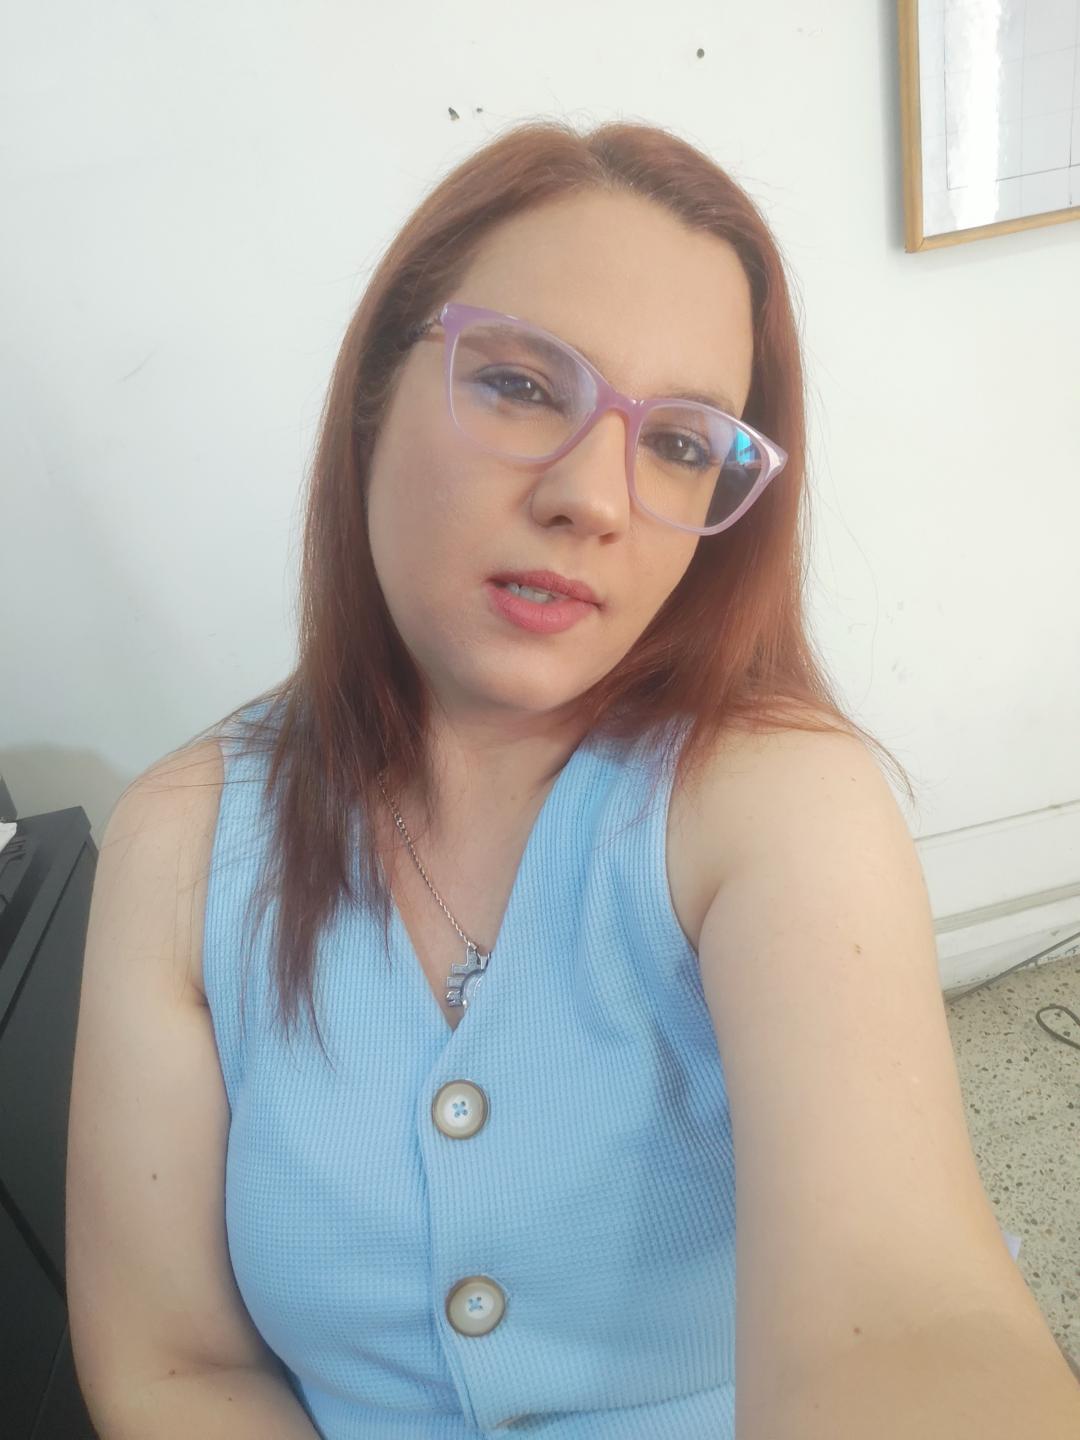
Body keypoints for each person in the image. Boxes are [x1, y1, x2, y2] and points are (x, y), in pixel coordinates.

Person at [65, 118, 1080, 1440]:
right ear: (374, 394)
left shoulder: (772, 799)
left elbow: (908, 1319)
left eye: (681, 443)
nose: (593, 499)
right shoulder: (184, 840)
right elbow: (172, 1365)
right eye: (521, 385)